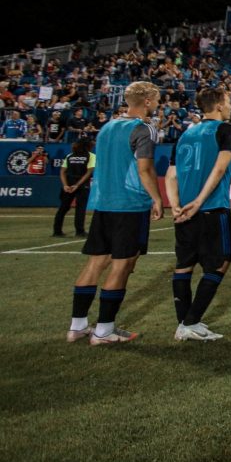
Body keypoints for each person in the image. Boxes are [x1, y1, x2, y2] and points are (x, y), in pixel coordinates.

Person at [66, 81, 163, 345]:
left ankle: (77, 327)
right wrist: (157, 198)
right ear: (146, 101)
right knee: (122, 265)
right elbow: (144, 169)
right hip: (130, 204)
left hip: (104, 202)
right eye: (156, 100)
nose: (157, 105)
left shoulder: (107, 127)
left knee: (96, 262)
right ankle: (104, 330)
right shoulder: (145, 129)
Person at [165, 86, 231, 341]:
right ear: (218, 105)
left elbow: (171, 175)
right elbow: (218, 170)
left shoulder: (186, 134)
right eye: (228, 101)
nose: (230, 106)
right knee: (220, 262)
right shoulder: (225, 130)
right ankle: (191, 320)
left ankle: (184, 324)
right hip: (211, 207)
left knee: (184, 265)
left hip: (183, 211)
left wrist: (175, 204)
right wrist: (198, 201)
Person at [54, 138, 94, 238]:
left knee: (63, 208)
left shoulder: (69, 156)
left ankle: (57, 231)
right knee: (80, 208)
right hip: (82, 185)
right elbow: (88, 172)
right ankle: (79, 231)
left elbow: (62, 171)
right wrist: (77, 185)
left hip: (68, 183)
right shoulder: (91, 156)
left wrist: (65, 185)